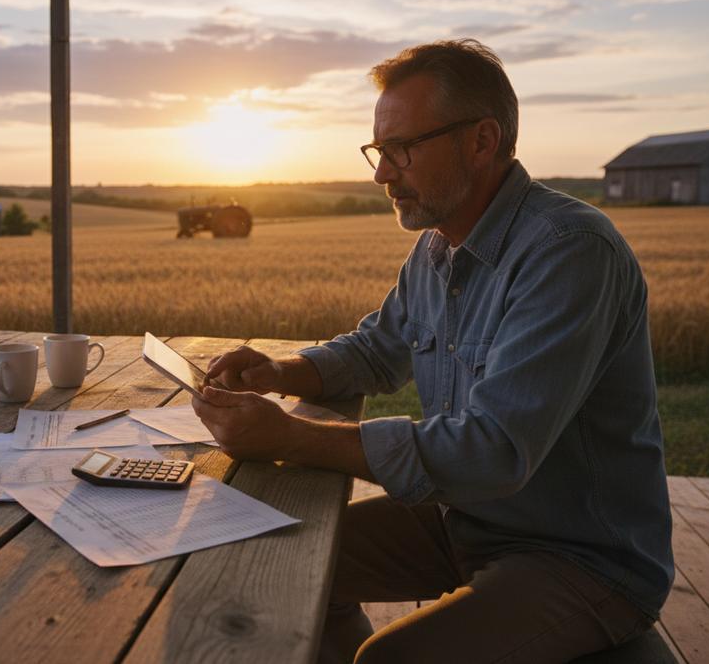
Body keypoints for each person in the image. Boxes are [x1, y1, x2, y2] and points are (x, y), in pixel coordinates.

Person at [190, 39, 673, 664]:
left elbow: (494, 451)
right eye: (378, 151)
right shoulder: (437, 247)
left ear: (481, 141)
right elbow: (377, 350)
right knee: (281, 559)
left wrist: (291, 439)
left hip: (579, 556)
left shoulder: (569, 250)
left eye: (401, 149)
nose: (381, 174)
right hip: (465, 518)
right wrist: (278, 372)